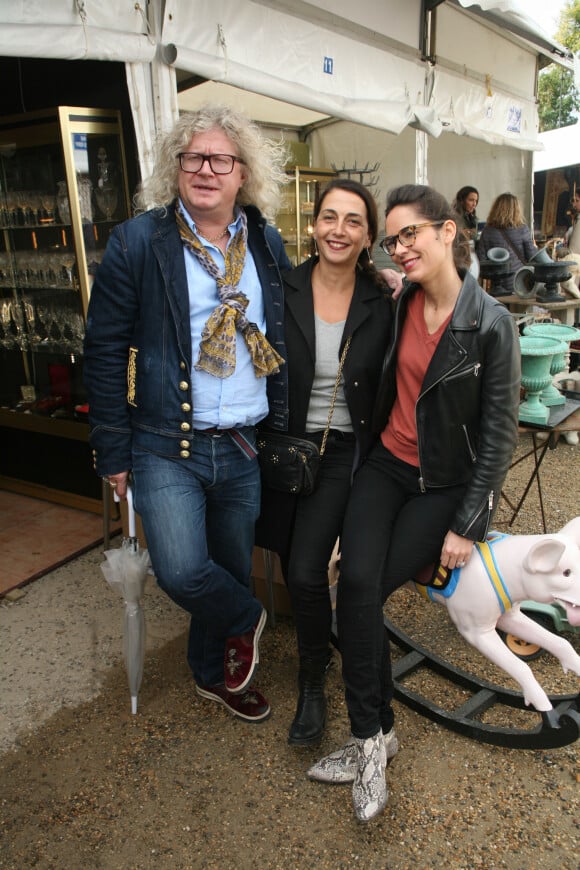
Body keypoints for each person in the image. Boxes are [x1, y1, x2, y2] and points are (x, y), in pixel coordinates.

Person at [308, 184, 521, 822]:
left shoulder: (490, 324)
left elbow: (498, 436)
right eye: (394, 238)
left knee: (366, 594)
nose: (401, 248)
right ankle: (374, 736)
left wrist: (466, 526)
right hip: (383, 467)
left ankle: (372, 738)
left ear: (448, 232)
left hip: (443, 487)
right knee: (355, 586)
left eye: (412, 236)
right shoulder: (400, 299)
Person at [83, 105, 291, 723]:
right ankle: (246, 617)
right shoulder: (138, 241)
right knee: (180, 570)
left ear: (242, 173)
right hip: (161, 441)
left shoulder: (265, 240)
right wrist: (111, 449)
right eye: (192, 157)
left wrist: (378, 280)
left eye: (220, 159)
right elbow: (102, 350)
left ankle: (212, 675)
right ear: (175, 167)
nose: (205, 169)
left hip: (243, 441)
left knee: (229, 563)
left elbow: (299, 306)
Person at [256, 179, 394, 748]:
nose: (339, 230)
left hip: (337, 453)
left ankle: (312, 677)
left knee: (309, 570)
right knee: (294, 564)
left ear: (368, 235)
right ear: (312, 226)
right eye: (329, 218)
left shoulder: (383, 301)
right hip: (280, 446)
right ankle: (315, 656)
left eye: (353, 221)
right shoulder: (277, 288)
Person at [476, 192, 537, 294]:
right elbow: (532, 256)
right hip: (520, 281)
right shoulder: (522, 229)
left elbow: (481, 260)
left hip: (497, 285)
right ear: (516, 210)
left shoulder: (487, 231)